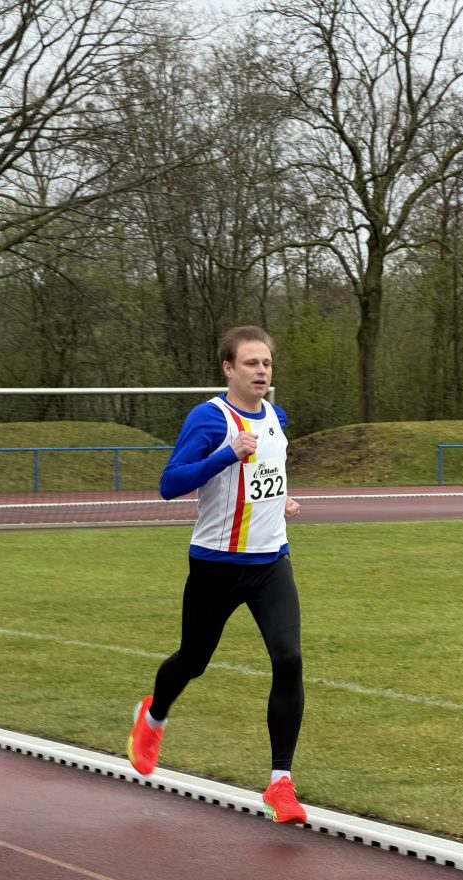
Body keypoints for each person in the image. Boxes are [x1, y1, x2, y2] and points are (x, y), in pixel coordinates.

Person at [127, 325, 307, 824]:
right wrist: (227, 453)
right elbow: (170, 484)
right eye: (251, 363)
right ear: (228, 369)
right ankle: (154, 715)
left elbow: (265, 477)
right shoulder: (209, 419)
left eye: (266, 363)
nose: (262, 371)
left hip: (271, 562)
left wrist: (280, 500)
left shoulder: (277, 417)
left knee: (288, 659)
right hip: (215, 565)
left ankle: (280, 784)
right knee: (194, 660)